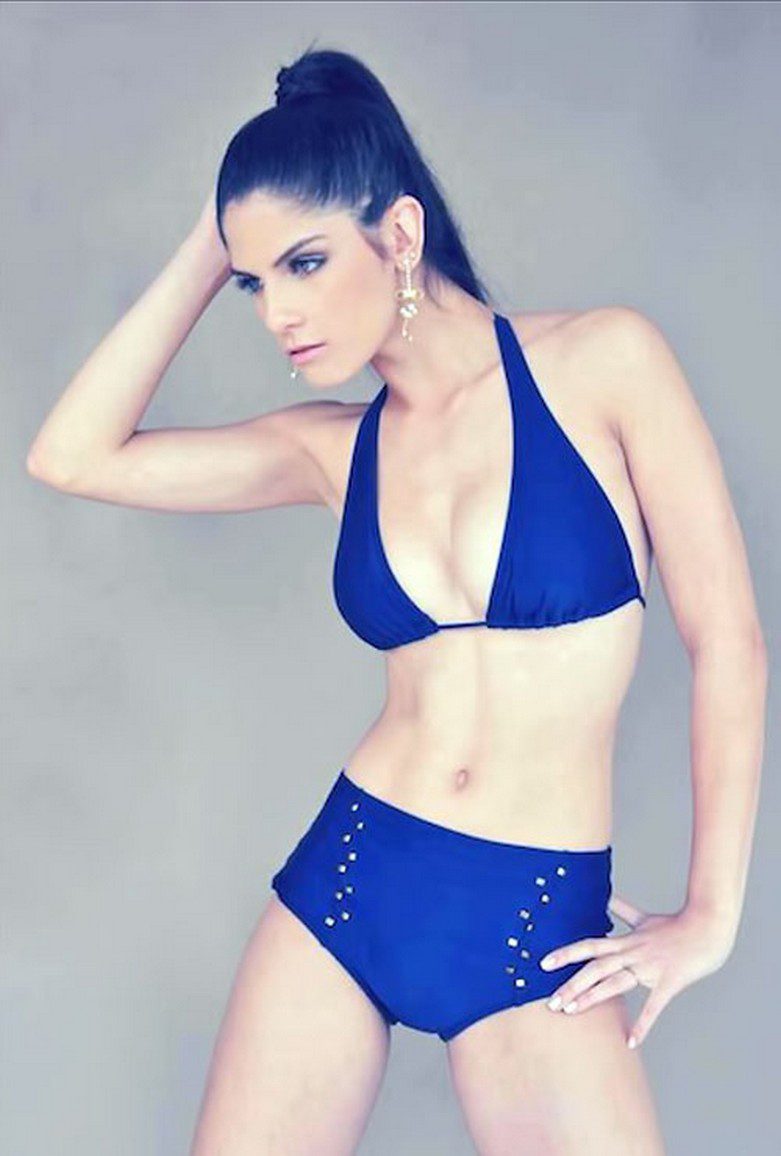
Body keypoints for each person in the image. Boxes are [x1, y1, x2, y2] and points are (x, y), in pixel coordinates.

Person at [27, 44, 766, 1156]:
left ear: (401, 234)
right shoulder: (332, 451)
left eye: (306, 262)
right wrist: (214, 240)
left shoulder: (604, 364)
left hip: (532, 919)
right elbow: (71, 455)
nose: (278, 311)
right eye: (256, 283)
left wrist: (711, 912)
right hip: (351, 885)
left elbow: (729, 641)